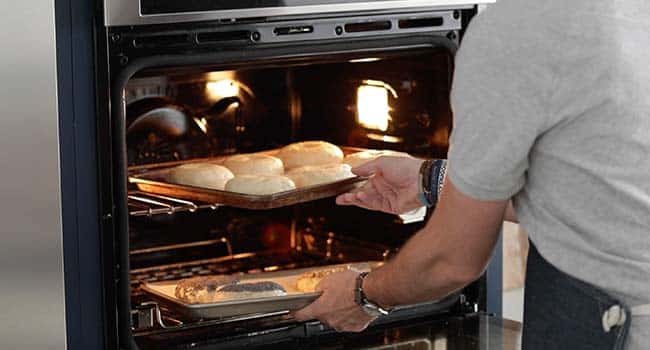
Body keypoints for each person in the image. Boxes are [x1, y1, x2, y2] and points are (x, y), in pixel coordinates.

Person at [293, 0, 650, 348]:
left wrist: (362, 295)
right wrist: (431, 180)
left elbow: (451, 262)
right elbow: (596, 198)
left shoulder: (518, 30)